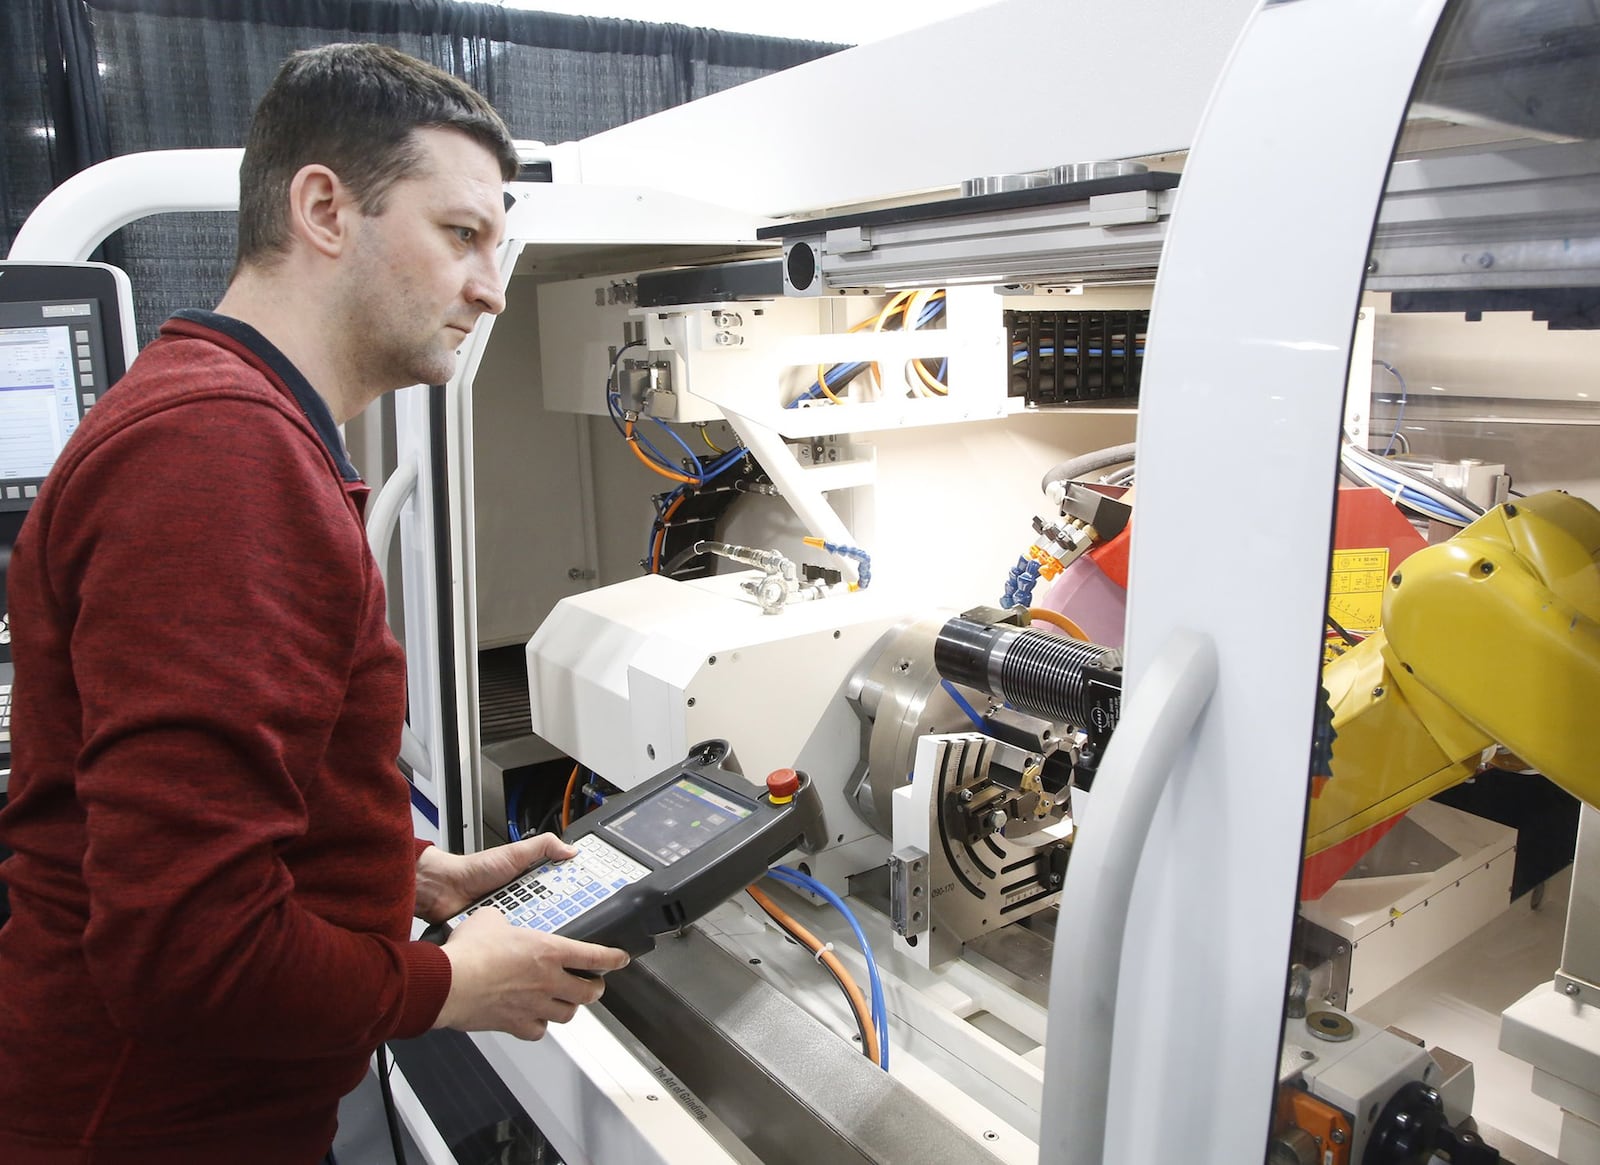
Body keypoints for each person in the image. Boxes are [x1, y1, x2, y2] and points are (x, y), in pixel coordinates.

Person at [0, 43, 629, 1164]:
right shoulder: (220, 458)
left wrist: (397, 873)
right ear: (325, 208)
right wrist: (448, 983)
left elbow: (207, 828)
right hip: (144, 1125)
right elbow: (186, 946)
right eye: (461, 234)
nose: (491, 287)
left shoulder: (230, 422)